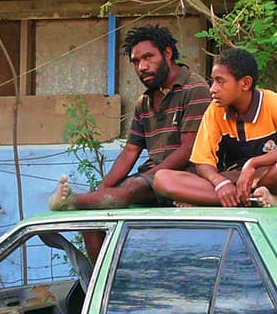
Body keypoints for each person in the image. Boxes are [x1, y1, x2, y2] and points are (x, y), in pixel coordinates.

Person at [49, 25, 211, 210]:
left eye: (148, 57)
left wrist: (151, 176)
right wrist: (103, 187)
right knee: (96, 200)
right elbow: (130, 152)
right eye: (136, 61)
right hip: (151, 176)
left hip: (186, 177)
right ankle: (80, 204)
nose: (142, 67)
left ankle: (73, 201)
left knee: (131, 187)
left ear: (167, 53)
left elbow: (189, 149)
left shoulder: (194, 89)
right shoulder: (145, 101)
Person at [153, 47, 277, 207]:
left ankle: (211, 200)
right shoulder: (216, 110)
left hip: (270, 179)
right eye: (212, 81)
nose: (212, 89)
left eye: (220, 82)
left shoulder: (272, 102)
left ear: (245, 83)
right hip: (234, 181)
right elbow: (203, 163)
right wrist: (220, 183)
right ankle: (252, 200)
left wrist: (253, 164)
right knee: (162, 179)